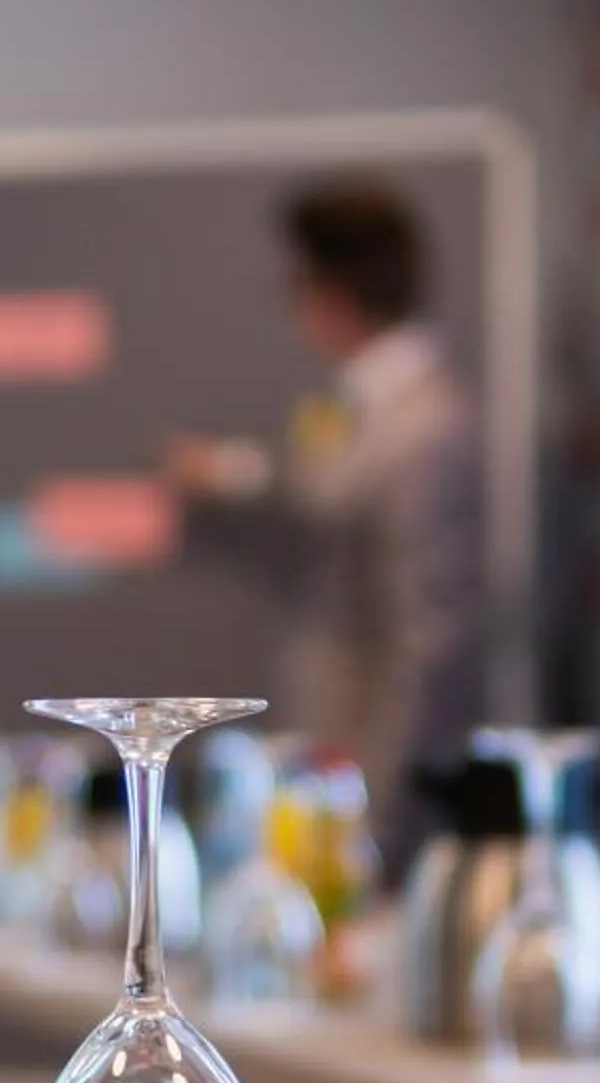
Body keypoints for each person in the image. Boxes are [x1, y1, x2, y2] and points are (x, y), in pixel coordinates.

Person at [163, 178, 486, 873]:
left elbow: (430, 646)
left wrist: (375, 819)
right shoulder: (371, 407)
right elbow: (324, 486)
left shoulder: (424, 428)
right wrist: (229, 471)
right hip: (335, 774)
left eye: (293, 287)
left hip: (368, 787)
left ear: (331, 293)